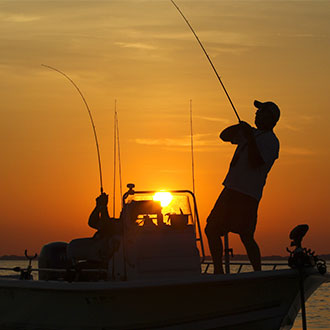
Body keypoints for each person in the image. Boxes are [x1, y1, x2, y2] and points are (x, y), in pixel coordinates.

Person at [205, 100, 280, 274]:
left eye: (261, 112)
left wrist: (250, 136)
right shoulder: (250, 135)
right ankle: (218, 271)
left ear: (271, 118)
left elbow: (256, 162)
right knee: (211, 228)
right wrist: (240, 129)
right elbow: (224, 136)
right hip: (231, 190)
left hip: (247, 194)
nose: (257, 114)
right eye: (257, 111)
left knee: (246, 236)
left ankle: (258, 273)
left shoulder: (271, 141)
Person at [67, 192, 121, 264]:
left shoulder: (127, 228)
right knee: (73, 245)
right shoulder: (116, 222)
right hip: (95, 257)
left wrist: (103, 207)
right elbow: (92, 222)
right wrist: (98, 207)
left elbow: (107, 226)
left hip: (106, 262)